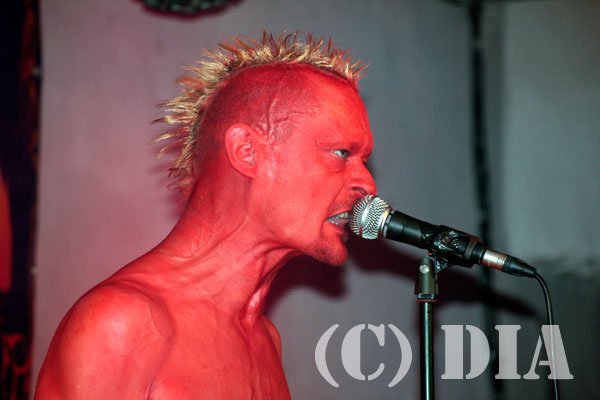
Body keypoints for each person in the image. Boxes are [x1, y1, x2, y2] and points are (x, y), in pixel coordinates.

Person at [34, 32, 377, 399]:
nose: (368, 184)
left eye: (364, 161)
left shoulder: (265, 339)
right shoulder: (121, 323)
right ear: (247, 152)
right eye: (341, 153)